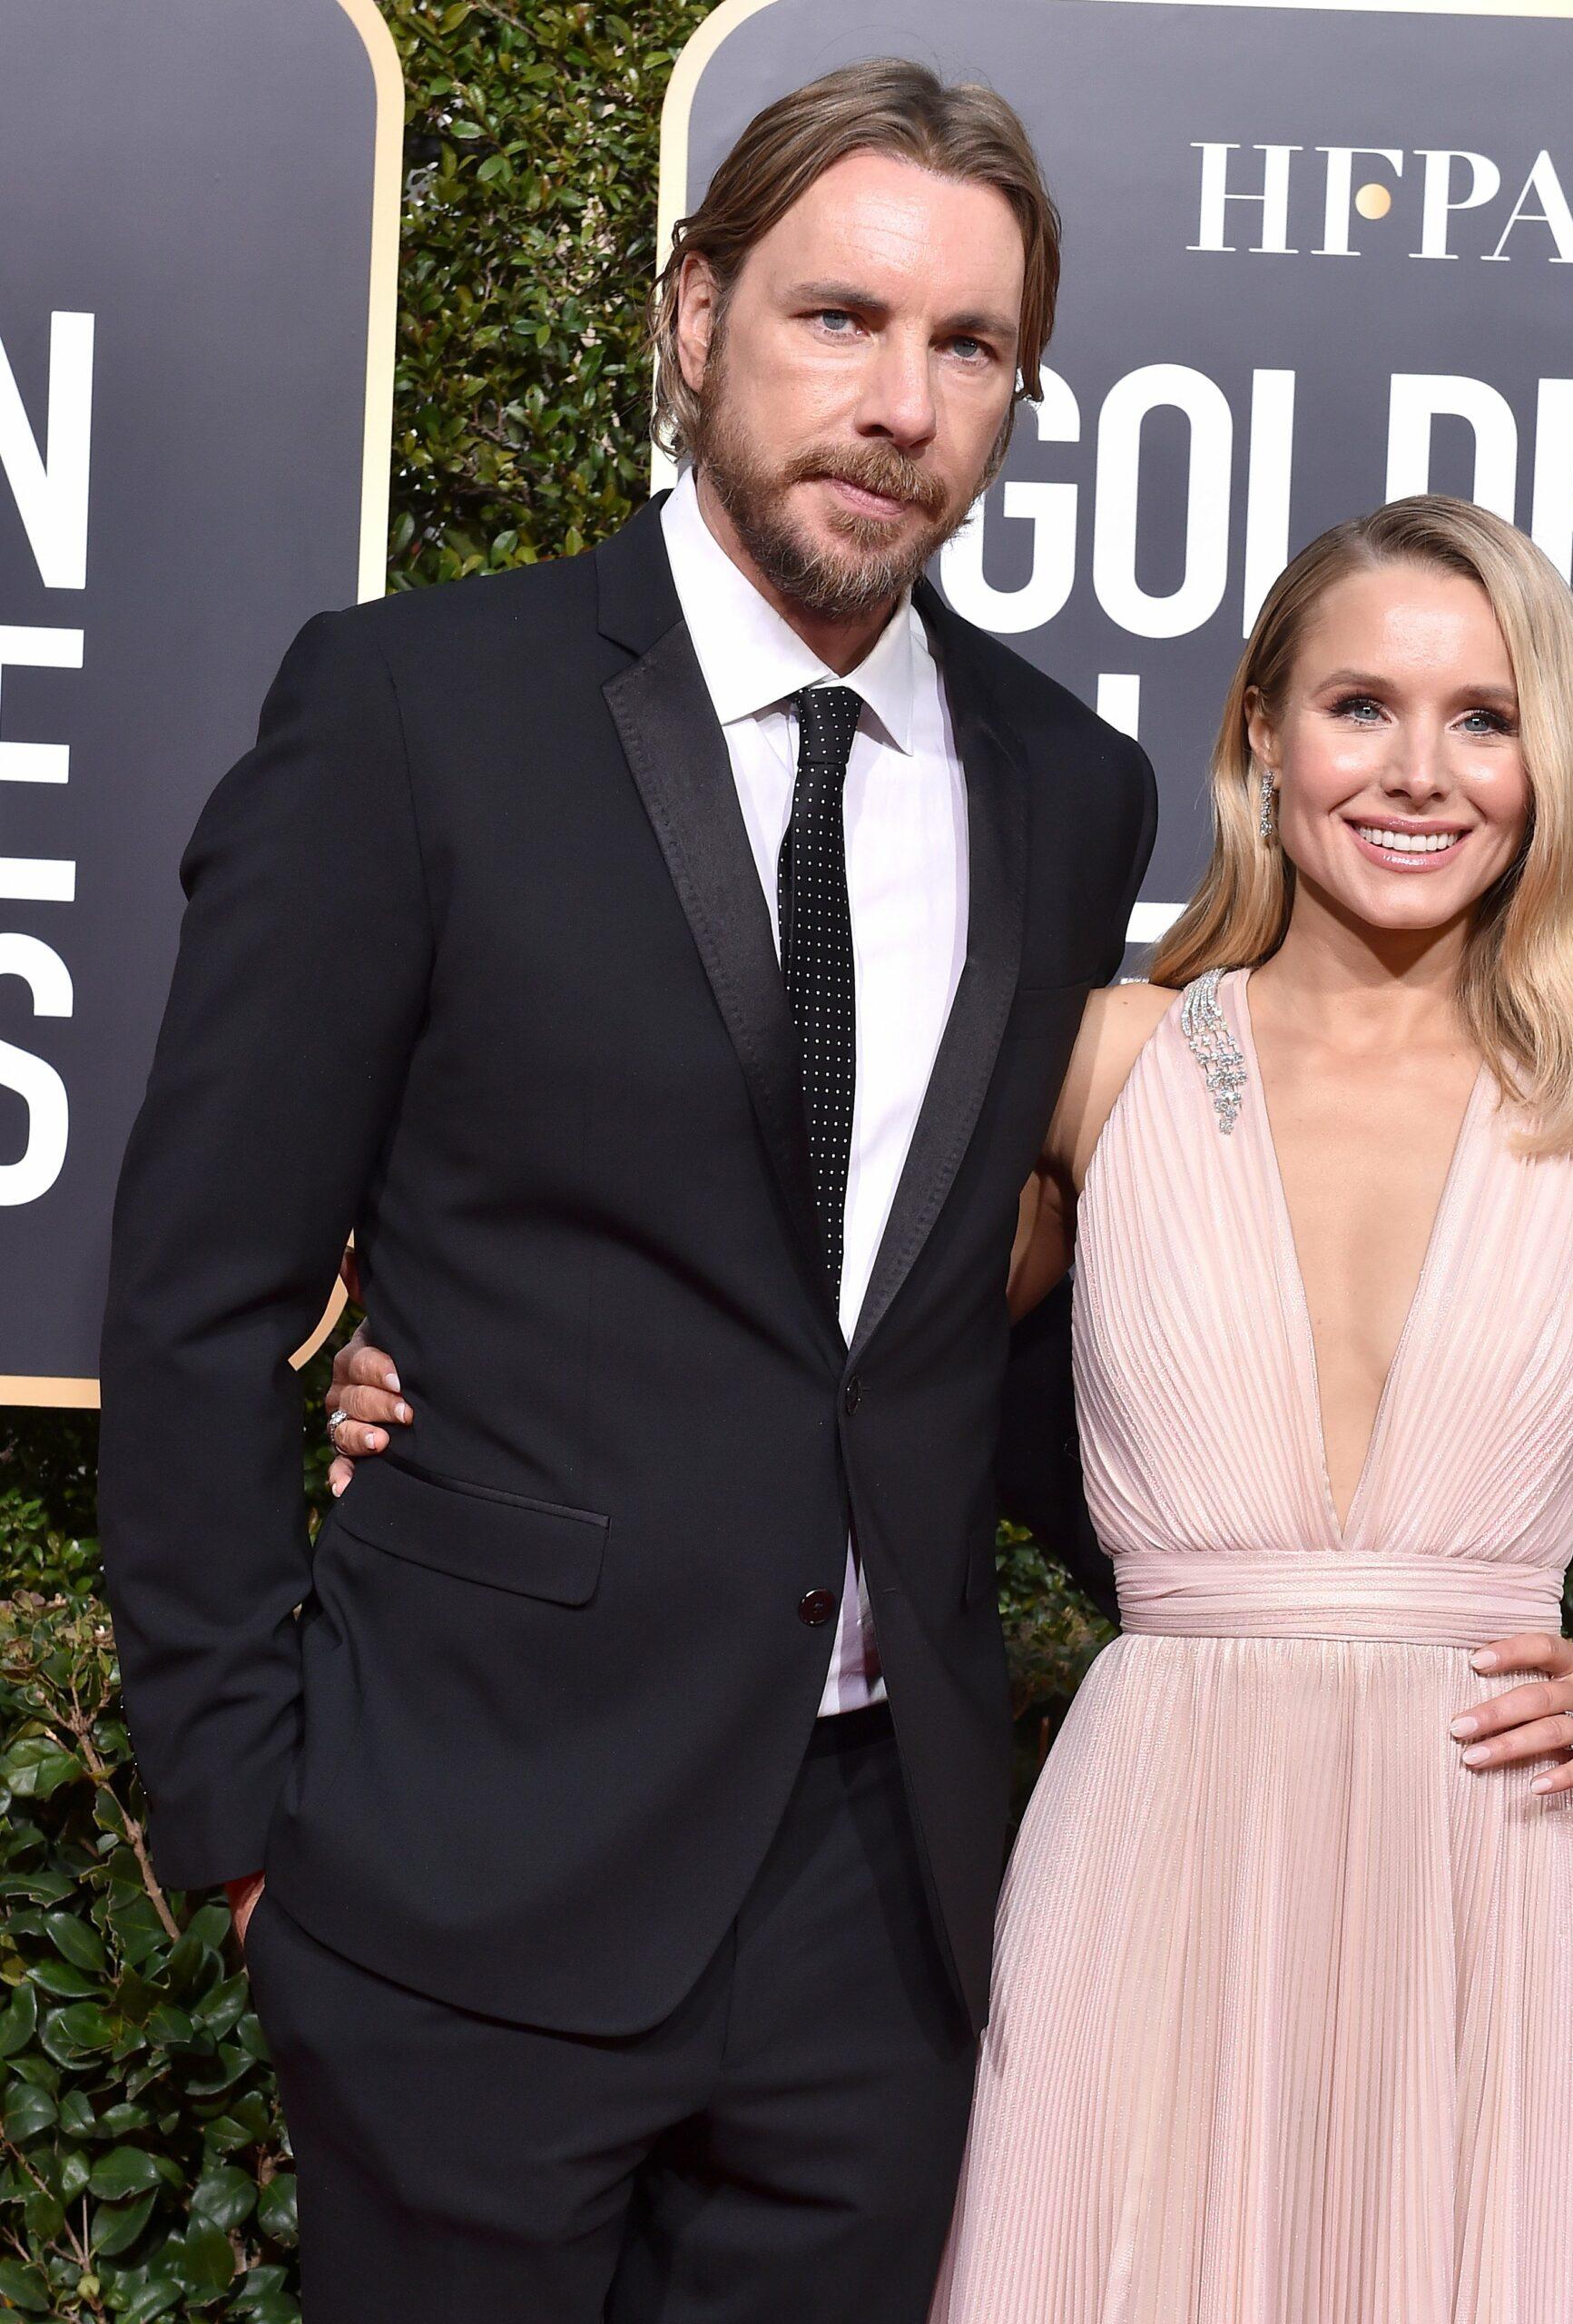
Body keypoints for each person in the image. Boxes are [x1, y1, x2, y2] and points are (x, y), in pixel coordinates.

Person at [338, 494, 1573, 2324]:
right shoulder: (1105, 1061)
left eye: (1485, 716)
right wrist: (427, 1376)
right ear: (1262, 739)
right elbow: (813, 1357)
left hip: (1492, 1883)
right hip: (1152, 1847)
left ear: (1551, 762)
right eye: (1361, 705)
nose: (1420, 770)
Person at [98, 62, 1152, 2324]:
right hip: (457, 1867)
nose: (898, 402)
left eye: (968, 349)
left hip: (884, 1901)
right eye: (839, 319)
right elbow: (200, 1292)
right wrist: (246, 1826)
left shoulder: (1075, 785)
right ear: (693, 319)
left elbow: (966, 1319)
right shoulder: (412, 709)